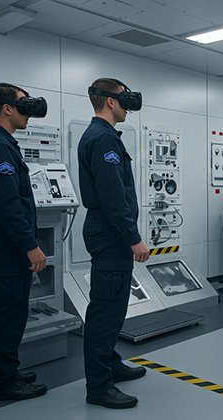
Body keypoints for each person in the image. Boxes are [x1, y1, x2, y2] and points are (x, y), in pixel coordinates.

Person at [0, 83, 49, 401]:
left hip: (1, 241)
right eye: (23, 105)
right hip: (7, 244)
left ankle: (2, 373)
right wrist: (30, 245)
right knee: (8, 313)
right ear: (6, 108)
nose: (29, 111)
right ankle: (3, 383)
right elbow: (7, 205)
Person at [78, 78, 149, 409]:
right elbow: (112, 197)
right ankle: (99, 386)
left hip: (109, 232)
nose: (128, 104)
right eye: (124, 98)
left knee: (113, 305)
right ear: (109, 101)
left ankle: (110, 364)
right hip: (110, 234)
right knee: (105, 311)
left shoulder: (104, 136)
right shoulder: (103, 138)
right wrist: (133, 239)